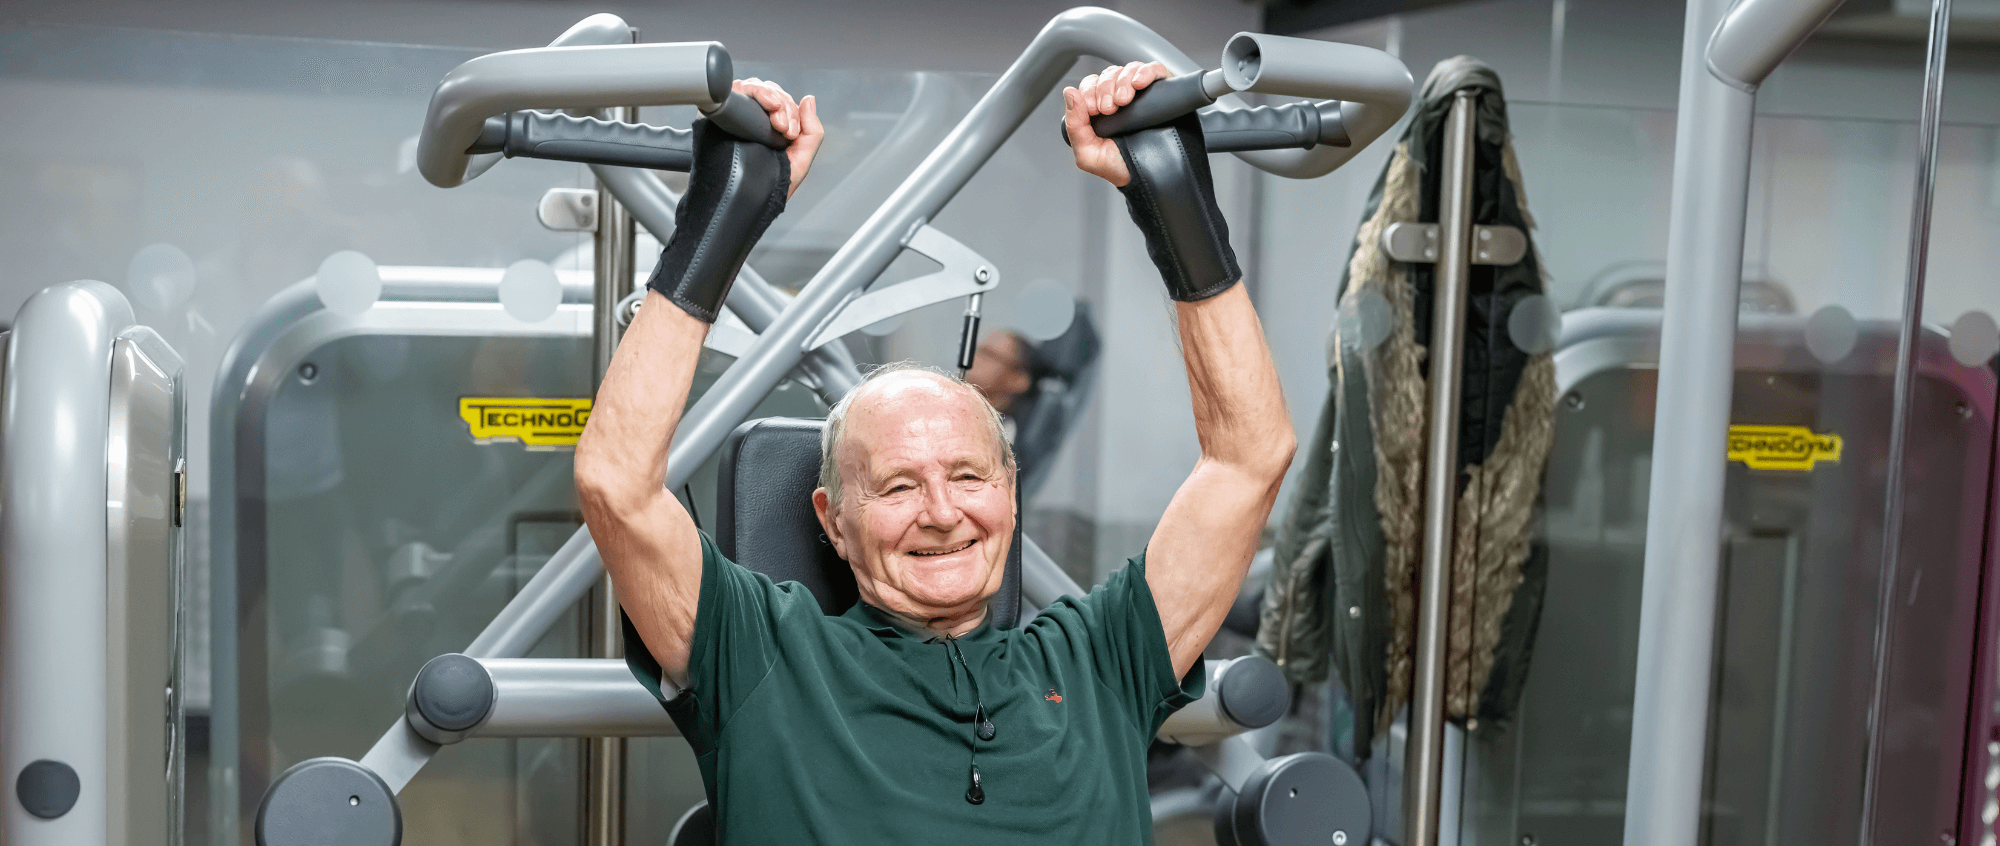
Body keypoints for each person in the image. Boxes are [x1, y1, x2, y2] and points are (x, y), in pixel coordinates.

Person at [576, 63, 1294, 843]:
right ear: (835, 520)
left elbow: (1248, 459)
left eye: (966, 475)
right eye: (896, 487)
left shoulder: (1100, 660)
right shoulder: (763, 657)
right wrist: (717, 225)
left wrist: (1176, 206)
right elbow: (617, 483)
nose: (942, 512)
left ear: (1009, 492)